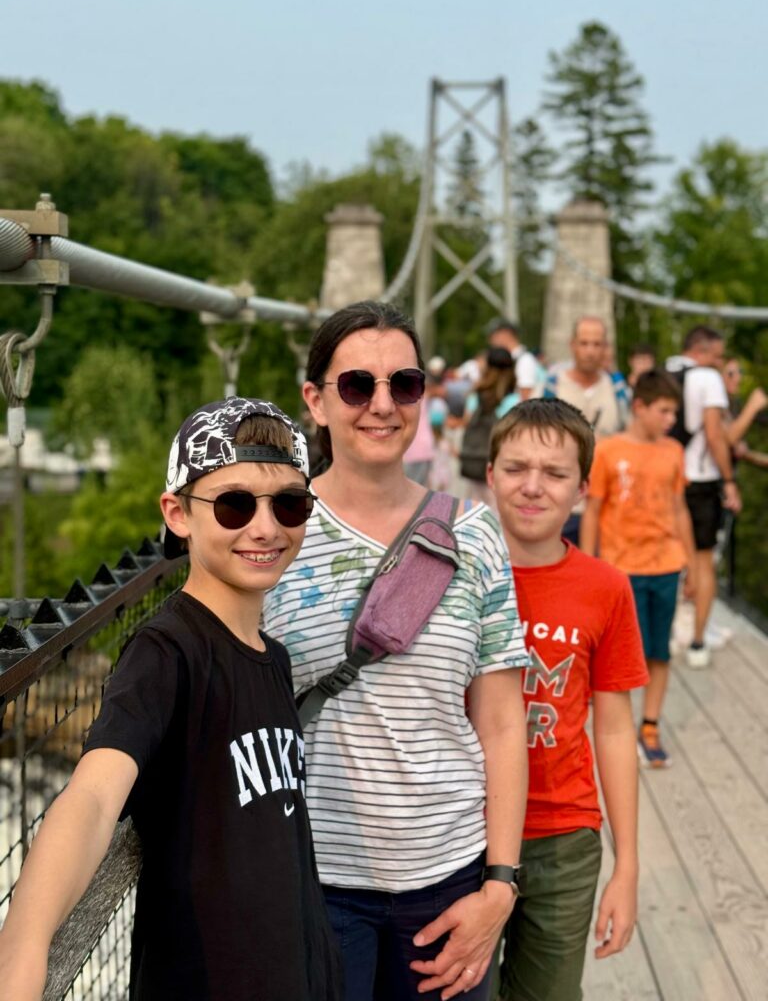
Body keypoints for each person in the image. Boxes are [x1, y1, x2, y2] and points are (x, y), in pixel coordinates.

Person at [0, 398, 341, 1001]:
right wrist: (23, 947)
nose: (266, 527)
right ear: (178, 513)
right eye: (235, 504)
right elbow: (94, 796)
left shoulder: (274, 658)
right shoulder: (166, 652)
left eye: (289, 503)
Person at [263, 300, 530, 1001]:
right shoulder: (271, 530)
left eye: (403, 384)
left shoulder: (476, 534)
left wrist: (500, 886)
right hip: (313, 882)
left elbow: (503, 723)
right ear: (315, 401)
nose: (382, 405)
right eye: (357, 385)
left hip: (450, 884)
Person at [487, 398, 648, 1001]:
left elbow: (614, 728)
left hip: (563, 834)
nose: (533, 487)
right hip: (463, 830)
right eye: (516, 468)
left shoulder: (606, 588)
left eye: (554, 474)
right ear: (490, 474)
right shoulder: (454, 575)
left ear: (582, 489)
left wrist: (626, 865)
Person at [580, 370, 697, 768]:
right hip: (621, 568)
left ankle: (650, 724)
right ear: (640, 406)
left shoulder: (673, 451)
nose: (670, 420)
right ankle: (618, 728)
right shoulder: (608, 450)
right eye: (664, 411)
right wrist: (588, 565)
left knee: (659, 651)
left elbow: (679, 508)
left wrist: (692, 564)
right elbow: (593, 510)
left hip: (666, 563)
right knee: (621, 657)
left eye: (674, 412)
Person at [666, 326, 741, 668]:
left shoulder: (665, 370)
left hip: (664, 476)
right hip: (699, 480)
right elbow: (713, 433)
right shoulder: (707, 378)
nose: (721, 363)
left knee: (668, 556)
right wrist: (729, 480)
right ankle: (697, 641)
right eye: (717, 355)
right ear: (701, 350)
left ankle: (665, 634)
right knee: (703, 561)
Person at [543, 316, 629, 542]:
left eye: (596, 344)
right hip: (560, 506)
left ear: (605, 347)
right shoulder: (551, 386)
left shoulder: (617, 390)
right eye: (584, 343)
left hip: (607, 507)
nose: (590, 351)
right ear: (572, 345)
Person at [460, 346, 520, 508]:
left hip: (473, 461)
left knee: (473, 509)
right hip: (499, 465)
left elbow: (466, 422)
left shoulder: (476, 395)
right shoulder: (512, 400)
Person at [723, 357, 768, 469]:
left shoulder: (733, 403)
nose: (738, 378)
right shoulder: (714, 404)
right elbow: (730, 438)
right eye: (731, 374)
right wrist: (753, 406)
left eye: (740, 372)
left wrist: (739, 442)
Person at [487, 318, 540, 400]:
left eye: (493, 336)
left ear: (505, 333)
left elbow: (526, 397)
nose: (490, 341)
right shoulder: (516, 359)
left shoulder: (525, 360)